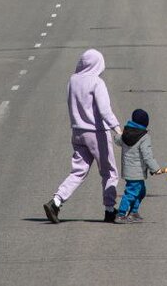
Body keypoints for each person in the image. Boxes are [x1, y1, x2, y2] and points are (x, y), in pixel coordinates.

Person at [43, 49, 121, 224]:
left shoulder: (73, 80)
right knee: (109, 173)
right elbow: (104, 110)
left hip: (78, 132)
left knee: (78, 171)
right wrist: (117, 129)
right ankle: (109, 210)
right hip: (97, 133)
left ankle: (56, 201)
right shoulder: (97, 82)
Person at [115, 108, 165, 223]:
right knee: (131, 193)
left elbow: (117, 140)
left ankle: (133, 212)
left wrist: (119, 134)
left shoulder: (126, 133)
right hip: (136, 172)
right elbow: (147, 156)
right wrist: (155, 169)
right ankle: (121, 214)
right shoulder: (144, 137)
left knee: (141, 191)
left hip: (128, 170)